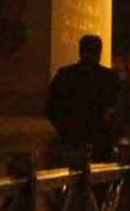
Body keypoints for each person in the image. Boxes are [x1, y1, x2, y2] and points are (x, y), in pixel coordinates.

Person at [45, 34, 117, 162]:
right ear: (99, 52)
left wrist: (65, 127)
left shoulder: (65, 74)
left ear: (80, 51)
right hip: (99, 140)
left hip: (71, 139)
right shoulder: (109, 78)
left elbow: (51, 107)